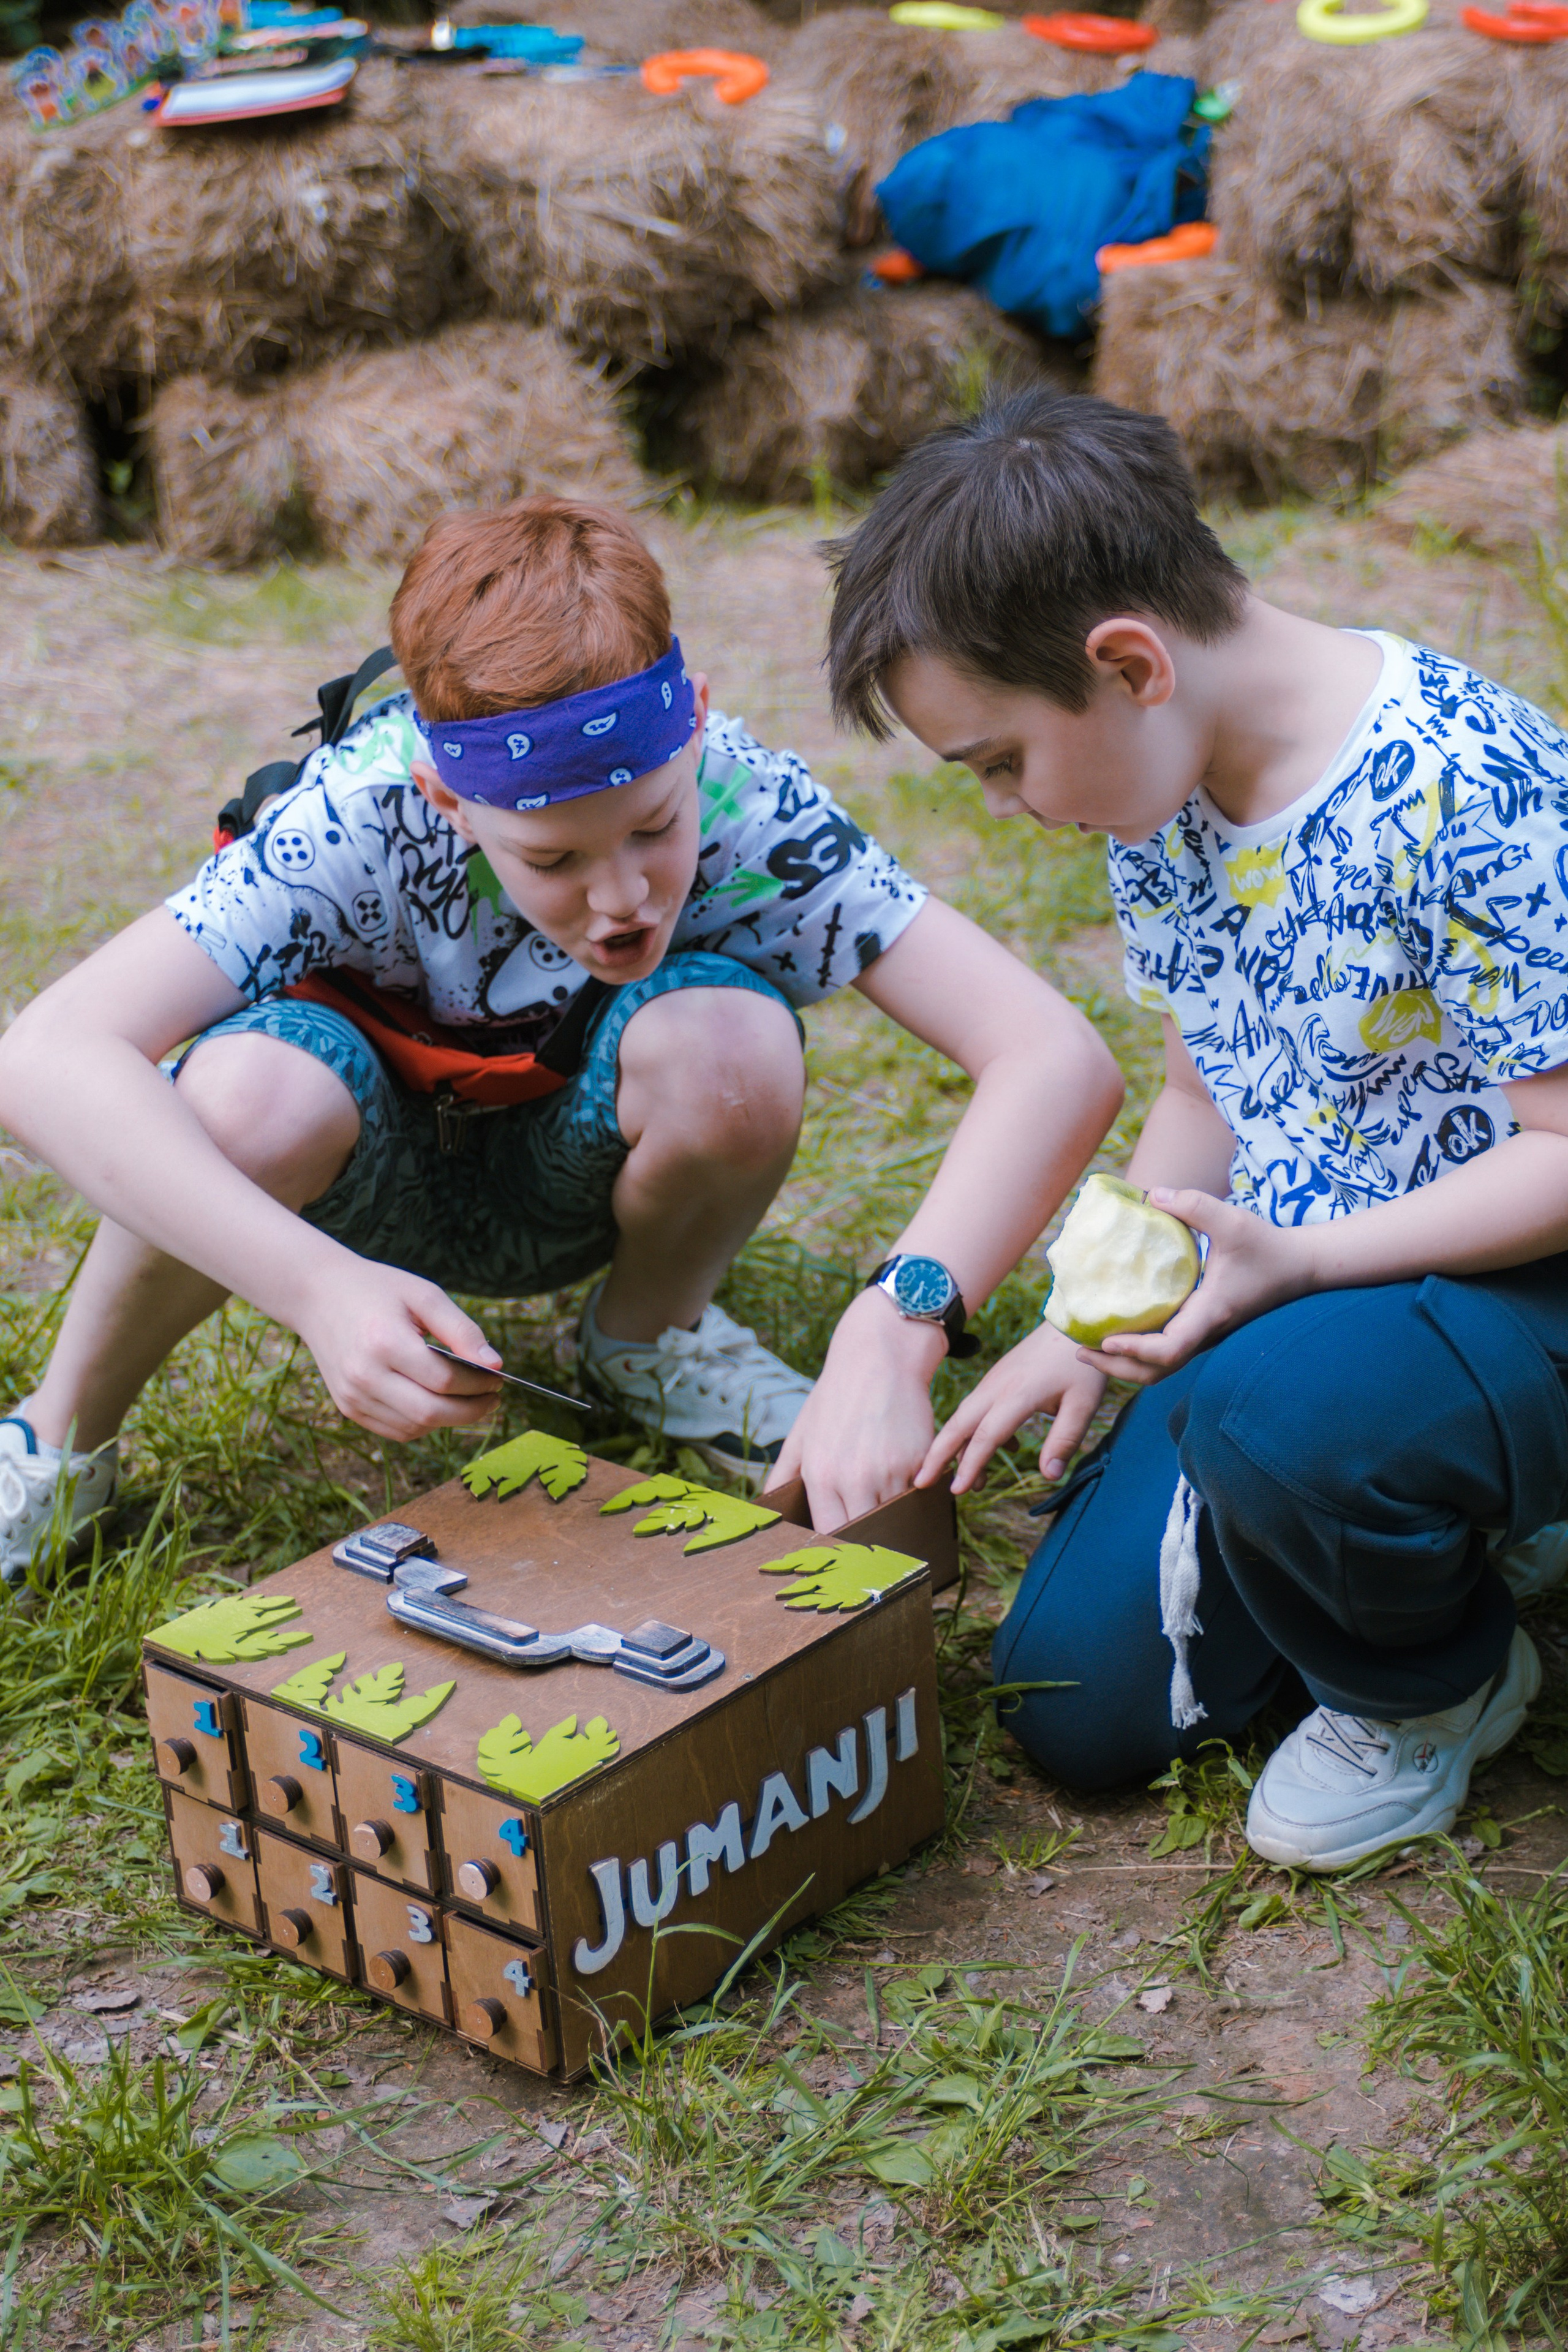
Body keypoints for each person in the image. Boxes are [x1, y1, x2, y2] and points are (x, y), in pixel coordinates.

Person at [0, 494, 1121, 1583]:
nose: (624, 895)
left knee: (731, 1044)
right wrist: (314, 1288)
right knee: (246, 1094)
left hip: (576, 1176)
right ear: (446, 798)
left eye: (655, 827)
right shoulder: (357, 813)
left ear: (695, 728)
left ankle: (649, 1334)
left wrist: (895, 1325)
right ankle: (59, 1438)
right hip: (343, 1183)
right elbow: (41, 1059)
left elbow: (1052, 1056)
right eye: (553, 860)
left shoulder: (742, 795)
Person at [824, 386, 1568, 1874]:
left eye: (997, 758)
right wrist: (1080, 1318)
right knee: (1074, 1703)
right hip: (1291, 1292)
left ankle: (1437, 1684)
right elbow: (1202, 1089)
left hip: (1504, 1277)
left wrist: (1295, 1264)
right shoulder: (1163, 797)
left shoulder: (1467, 786)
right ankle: (1414, 1503)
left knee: (1272, 1417)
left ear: (1126, 664)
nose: (1009, 804)